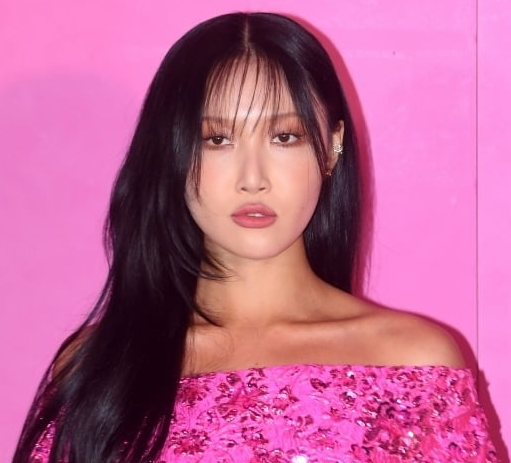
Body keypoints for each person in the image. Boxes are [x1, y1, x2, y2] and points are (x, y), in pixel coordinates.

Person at [13, 11, 498, 463]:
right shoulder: (97, 366)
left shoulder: (412, 365)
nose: (253, 178)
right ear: (171, 153)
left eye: (284, 137)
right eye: (217, 139)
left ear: (332, 147)